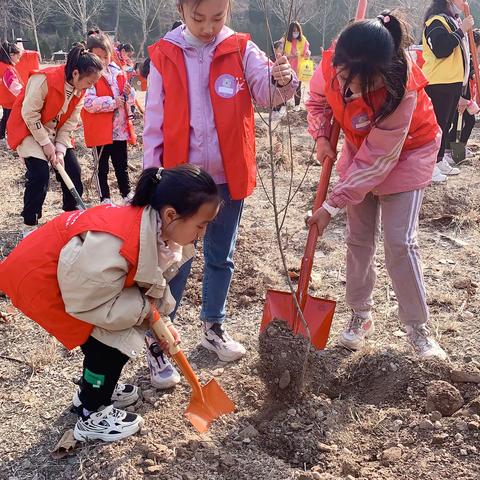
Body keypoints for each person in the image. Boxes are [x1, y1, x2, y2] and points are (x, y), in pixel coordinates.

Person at [0, 165, 221, 442]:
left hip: (73, 280)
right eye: (201, 224)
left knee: (118, 327)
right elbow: (91, 302)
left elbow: (142, 284)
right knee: (113, 338)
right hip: (41, 278)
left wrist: (159, 321)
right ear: (170, 215)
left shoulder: (153, 229)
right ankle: (92, 413)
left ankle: (92, 390)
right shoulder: (117, 241)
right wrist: (145, 314)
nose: (202, 232)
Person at [143, 0, 297, 386]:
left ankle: (213, 325)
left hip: (229, 175)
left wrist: (283, 80)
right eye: (199, 18)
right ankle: (161, 338)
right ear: (180, 10)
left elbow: (267, 94)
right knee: (175, 259)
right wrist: (153, 173)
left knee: (221, 255)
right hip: (183, 178)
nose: (209, 27)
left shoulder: (242, 48)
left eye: (217, 17)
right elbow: (155, 119)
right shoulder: (166, 54)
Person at [306, 11, 447, 360]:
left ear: (383, 73)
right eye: (344, 79)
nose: (350, 89)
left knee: (400, 242)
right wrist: (322, 135)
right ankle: (360, 315)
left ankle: (416, 327)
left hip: (407, 151)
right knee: (358, 238)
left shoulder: (403, 90)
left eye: (362, 85)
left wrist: (331, 204)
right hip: (359, 147)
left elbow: (380, 159)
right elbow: (318, 102)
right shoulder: (334, 64)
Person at [6, 46, 103, 237]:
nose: (90, 87)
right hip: (28, 128)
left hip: (55, 132)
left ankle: (71, 216)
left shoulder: (80, 90)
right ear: (76, 73)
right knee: (40, 174)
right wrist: (45, 144)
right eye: (90, 82)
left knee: (73, 170)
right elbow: (29, 114)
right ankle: (30, 223)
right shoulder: (44, 79)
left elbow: (69, 123)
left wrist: (59, 148)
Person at [422, 0, 474, 181]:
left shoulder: (452, 20)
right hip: (438, 82)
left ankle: (439, 159)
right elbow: (441, 49)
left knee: (445, 125)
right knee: (436, 126)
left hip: (452, 81)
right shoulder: (436, 21)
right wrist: (461, 31)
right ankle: (429, 166)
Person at [82, 32, 136, 205]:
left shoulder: (117, 72)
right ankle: (104, 197)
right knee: (102, 167)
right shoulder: (88, 75)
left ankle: (126, 193)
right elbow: (88, 103)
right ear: (88, 53)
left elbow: (128, 98)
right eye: (98, 56)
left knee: (121, 164)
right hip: (100, 130)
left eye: (105, 56)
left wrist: (128, 94)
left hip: (119, 128)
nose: (102, 60)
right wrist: (113, 102)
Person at [447, 28, 480, 159]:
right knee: (458, 123)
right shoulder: (464, 55)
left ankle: (458, 151)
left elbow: (471, 70)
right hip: (458, 94)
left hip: (464, 94)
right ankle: (450, 151)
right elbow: (465, 72)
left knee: (465, 122)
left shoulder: (469, 56)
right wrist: (461, 98)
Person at [284, 21, 311, 111]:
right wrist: (291, 56)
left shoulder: (303, 40)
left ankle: (297, 105)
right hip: (288, 67)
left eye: (297, 30)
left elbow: (307, 51)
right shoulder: (285, 40)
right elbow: (281, 52)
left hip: (299, 67)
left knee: (298, 86)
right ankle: (284, 105)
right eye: (293, 30)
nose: (296, 32)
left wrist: (307, 53)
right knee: (286, 86)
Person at [0, 42, 22, 144]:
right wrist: (24, 95)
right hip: (10, 100)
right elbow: (13, 86)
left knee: (6, 117)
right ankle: (5, 137)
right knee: (9, 119)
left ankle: (1, 136)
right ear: (11, 55)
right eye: (18, 55)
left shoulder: (3, 66)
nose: (19, 57)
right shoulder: (7, 69)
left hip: (5, 99)